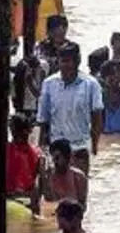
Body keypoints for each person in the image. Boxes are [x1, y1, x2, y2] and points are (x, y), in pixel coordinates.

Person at [37, 46, 103, 176]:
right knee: (56, 191)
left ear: (77, 61)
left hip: (80, 148)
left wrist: (94, 145)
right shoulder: (49, 84)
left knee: (79, 191)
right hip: (56, 149)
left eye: (70, 61)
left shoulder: (91, 84)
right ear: (58, 62)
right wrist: (41, 149)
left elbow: (97, 117)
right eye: (63, 61)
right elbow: (43, 119)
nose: (67, 65)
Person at [6, 115, 44, 215]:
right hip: (23, 200)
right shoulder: (37, 153)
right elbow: (42, 184)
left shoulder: (5, 150)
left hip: (13, 199)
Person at [43, 139, 89, 207]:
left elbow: (83, 204)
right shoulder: (48, 177)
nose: (54, 161)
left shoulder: (79, 177)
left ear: (68, 157)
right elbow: (48, 201)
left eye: (57, 157)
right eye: (53, 157)